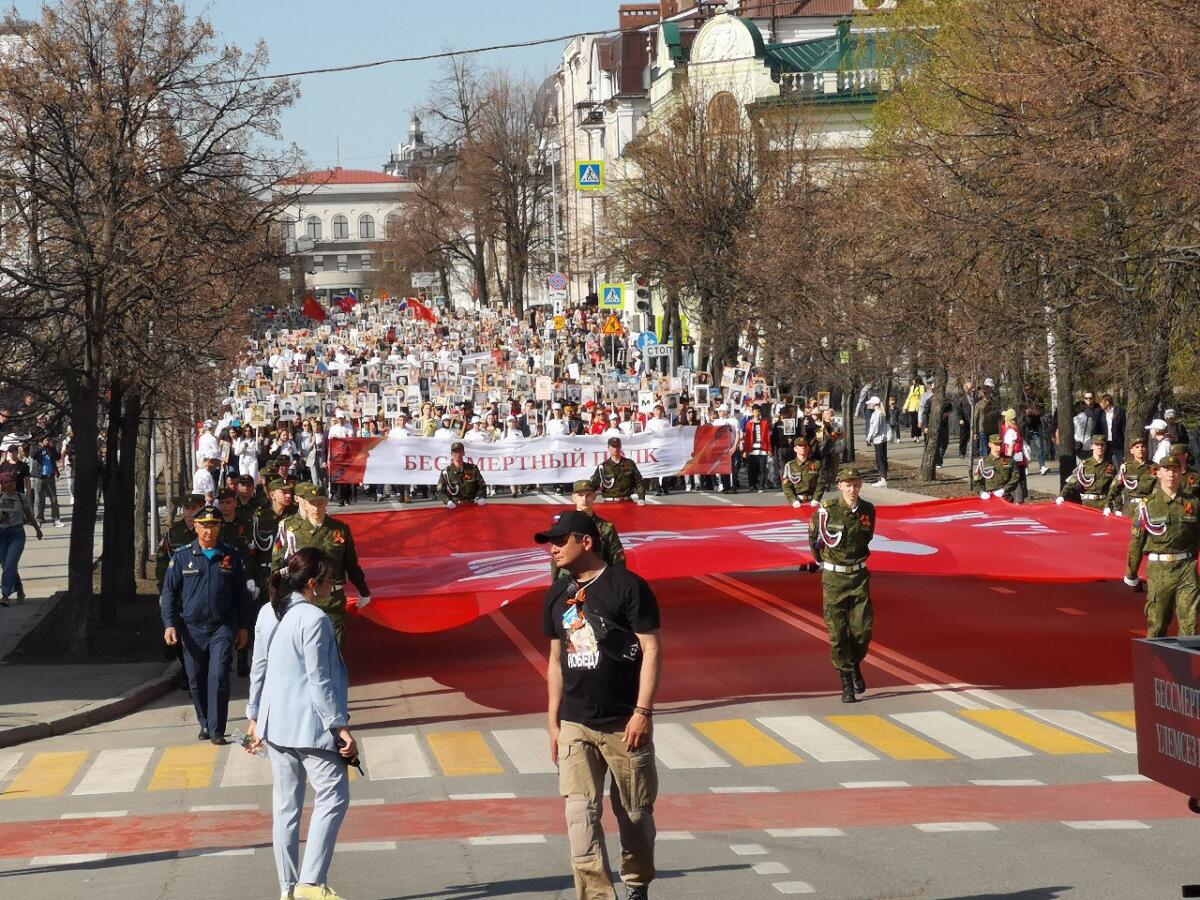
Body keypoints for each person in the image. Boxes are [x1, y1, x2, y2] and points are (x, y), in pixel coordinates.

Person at [538, 510, 662, 900]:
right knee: (580, 817)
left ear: (585, 542)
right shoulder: (557, 594)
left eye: (561, 540)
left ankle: (637, 884)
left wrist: (642, 712)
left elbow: (652, 648)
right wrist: (553, 721)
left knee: (636, 816)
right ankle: (597, 896)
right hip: (576, 723)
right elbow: (556, 660)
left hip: (624, 722)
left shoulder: (627, 586)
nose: (553, 549)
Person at [246, 547, 355, 900]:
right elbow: (319, 680)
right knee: (334, 795)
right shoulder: (314, 619)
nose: (333, 586)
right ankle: (311, 883)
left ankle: (288, 890)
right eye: (328, 581)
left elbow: (258, 668)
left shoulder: (267, 612)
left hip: (275, 724)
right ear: (312, 583)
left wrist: (253, 716)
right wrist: (339, 726)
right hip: (310, 727)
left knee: (286, 809)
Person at [160, 505, 251, 743]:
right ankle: (204, 722)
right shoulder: (182, 557)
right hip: (192, 629)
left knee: (219, 675)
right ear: (196, 527)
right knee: (196, 679)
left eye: (214, 526)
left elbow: (241, 594)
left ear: (220, 528)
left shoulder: (230, 556)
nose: (209, 532)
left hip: (222, 626)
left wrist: (243, 626)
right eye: (204, 526)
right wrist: (170, 624)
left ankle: (217, 729)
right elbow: (169, 593)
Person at [272, 483, 370, 651]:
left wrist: (364, 591)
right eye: (312, 503)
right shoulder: (290, 529)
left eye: (320, 503)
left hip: (333, 600)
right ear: (304, 504)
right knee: (306, 650)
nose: (316, 508)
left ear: (326, 502)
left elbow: (351, 564)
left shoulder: (340, 530)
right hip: (302, 600)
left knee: (334, 650)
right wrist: (279, 594)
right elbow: (278, 563)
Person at [809, 466, 876, 703]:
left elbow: (867, 538)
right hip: (834, 579)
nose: (853, 489)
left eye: (856, 484)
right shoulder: (826, 511)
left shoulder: (868, 510)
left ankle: (854, 663)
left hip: (859, 577)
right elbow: (814, 541)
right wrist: (825, 563)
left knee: (862, 631)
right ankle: (847, 679)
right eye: (848, 484)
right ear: (840, 486)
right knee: (838, 633)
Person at [1124, 452, 1199, 637]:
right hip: (1159, 570)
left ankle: (1186, 665)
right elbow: (1137, 541)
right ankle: (1155, 664)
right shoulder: (1146, 506)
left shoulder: (1193, 504)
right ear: (1158, 473)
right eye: (1166, 470)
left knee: (1189, 623)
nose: (1171, 474)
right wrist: (1131, 572)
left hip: (1186, 569)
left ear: (1181, 472)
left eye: (1175, 470)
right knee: (1157, 623)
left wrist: (1192, 559)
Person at [551, 481, 627, 581]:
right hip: (568, 579)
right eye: (580, 495)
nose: (584, 499)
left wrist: (619, 583)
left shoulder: (606, 528)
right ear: (573, 498)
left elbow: (616, 557)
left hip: (597, 579)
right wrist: (555, 584)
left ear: (594, 497)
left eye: (588, 495)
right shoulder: (563, 525)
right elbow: (556, 557)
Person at [0, 471, 41, 606]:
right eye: (6, 482)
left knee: (10, 564)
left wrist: (37, 529)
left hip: (16, 534)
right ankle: (19, 588)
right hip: (1, 535)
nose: (9, 483)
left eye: (11, 481)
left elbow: (28, 514)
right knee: (7, 566)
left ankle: (5, 595)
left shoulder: (21, 497)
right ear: (2, 486)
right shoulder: (0, 499)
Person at [1057, 435, 1117, 510]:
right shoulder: (1084, 465)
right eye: (1097, 445)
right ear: (1092, 446)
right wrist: (1061, 496)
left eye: (1102, 445)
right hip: (1087, 503)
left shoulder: (1111, 467)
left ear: (1105, 447)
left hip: (1104, 504)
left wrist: (1118, 508)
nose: (1099, 447)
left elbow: (1115, 488)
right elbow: (1071, 483)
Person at [1106, 437, 1157, 517]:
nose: (1140, 449)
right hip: (1130, 509)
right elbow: (1115, 488)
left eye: (1142, 446)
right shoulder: (1126, 468)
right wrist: (1111, 506)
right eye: (1137, 447)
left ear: (1146, 449)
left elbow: (1159, 488)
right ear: (1132, 451)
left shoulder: (1154, 468)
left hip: (1149, 508)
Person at [590, 437, 646, 504]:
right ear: (608, 448)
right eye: (613, 446)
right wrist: (588, 497)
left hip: (628, 502)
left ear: (620, 447)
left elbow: (638, 482)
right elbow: (594, 484)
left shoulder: (630, 463)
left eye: (617, 446)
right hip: (610, 503)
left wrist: (641, 498)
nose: (615, 448)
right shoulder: (603, 467)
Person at [436, 441, 486, 508]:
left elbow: (482, 485)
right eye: (455, 452)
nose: (458, 454)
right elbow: (441, 491)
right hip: (455, 506)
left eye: (460, 451)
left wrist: (481, 497)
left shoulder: (473, 469)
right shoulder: (446, 473)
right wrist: (447, 501)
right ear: (452, 454)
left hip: (472, 505)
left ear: (463, 453)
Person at [971, 434, 1019, 501]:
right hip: (989, 498)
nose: (999, 447)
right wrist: (982, 493)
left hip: (1006, 498)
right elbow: (977, 482)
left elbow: (1015, 478)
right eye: (996, 444)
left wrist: (1004, 490)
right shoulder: (983, 462)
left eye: (1000, 444)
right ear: (990, 445)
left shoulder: (1009, 461)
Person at [29, 436, 63, 527]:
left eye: (49, 440)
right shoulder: (35, 446)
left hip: (50, 476)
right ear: (42, 440)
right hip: (39, 477)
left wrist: (52, 448)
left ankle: (56, 519)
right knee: (39, 499)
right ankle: (38, 519)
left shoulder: (51, 448)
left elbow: (58, 457)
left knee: (54, 499)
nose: (48, 441)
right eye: (47, 440)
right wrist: (42, 447)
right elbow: (32, 454)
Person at [781, 437, 825, 508]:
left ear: (808, 448)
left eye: (805, 446)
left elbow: (821, 483)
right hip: (797, 501)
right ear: (795, 449)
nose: (803, 448)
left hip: (812, 501)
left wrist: (816, 499)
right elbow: (786, 486)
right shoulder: (789, 466)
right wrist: (793, 500)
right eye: (800, 446)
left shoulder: (816, 464)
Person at [742, 404, 772, 492]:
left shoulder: (764, 423)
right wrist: (745, 450)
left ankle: (761, 486)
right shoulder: (749, 423)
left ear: (760, 412)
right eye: (755, 411)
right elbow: (747, 438)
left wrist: (769, 449)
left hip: (762, 450)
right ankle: (752, 484)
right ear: (752, 412)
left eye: (758, 411)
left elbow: (767, 437)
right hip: (752, 450)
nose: (756, 413)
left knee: (762, 469)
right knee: (752, 469)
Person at [864, 396, 888, 488]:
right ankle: (883, 478)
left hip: (878, 439)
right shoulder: (879, 413)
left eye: (870, 403)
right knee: (881, 458)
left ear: (874, 404)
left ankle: (883, 479)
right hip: (880, 439)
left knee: (880, 459)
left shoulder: (877, 414)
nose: (869, 404)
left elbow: (875, 427)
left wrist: (869, 437)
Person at [1098, 394, 1126, 466]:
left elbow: (1124, 427)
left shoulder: (1119, 412)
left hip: (1118, 443)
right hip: (1106, 444)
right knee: (1107, 464)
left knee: (1120, 464)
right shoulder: (1102, 414)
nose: (1100, 404)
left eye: (1101, 402)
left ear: (1107, 402)